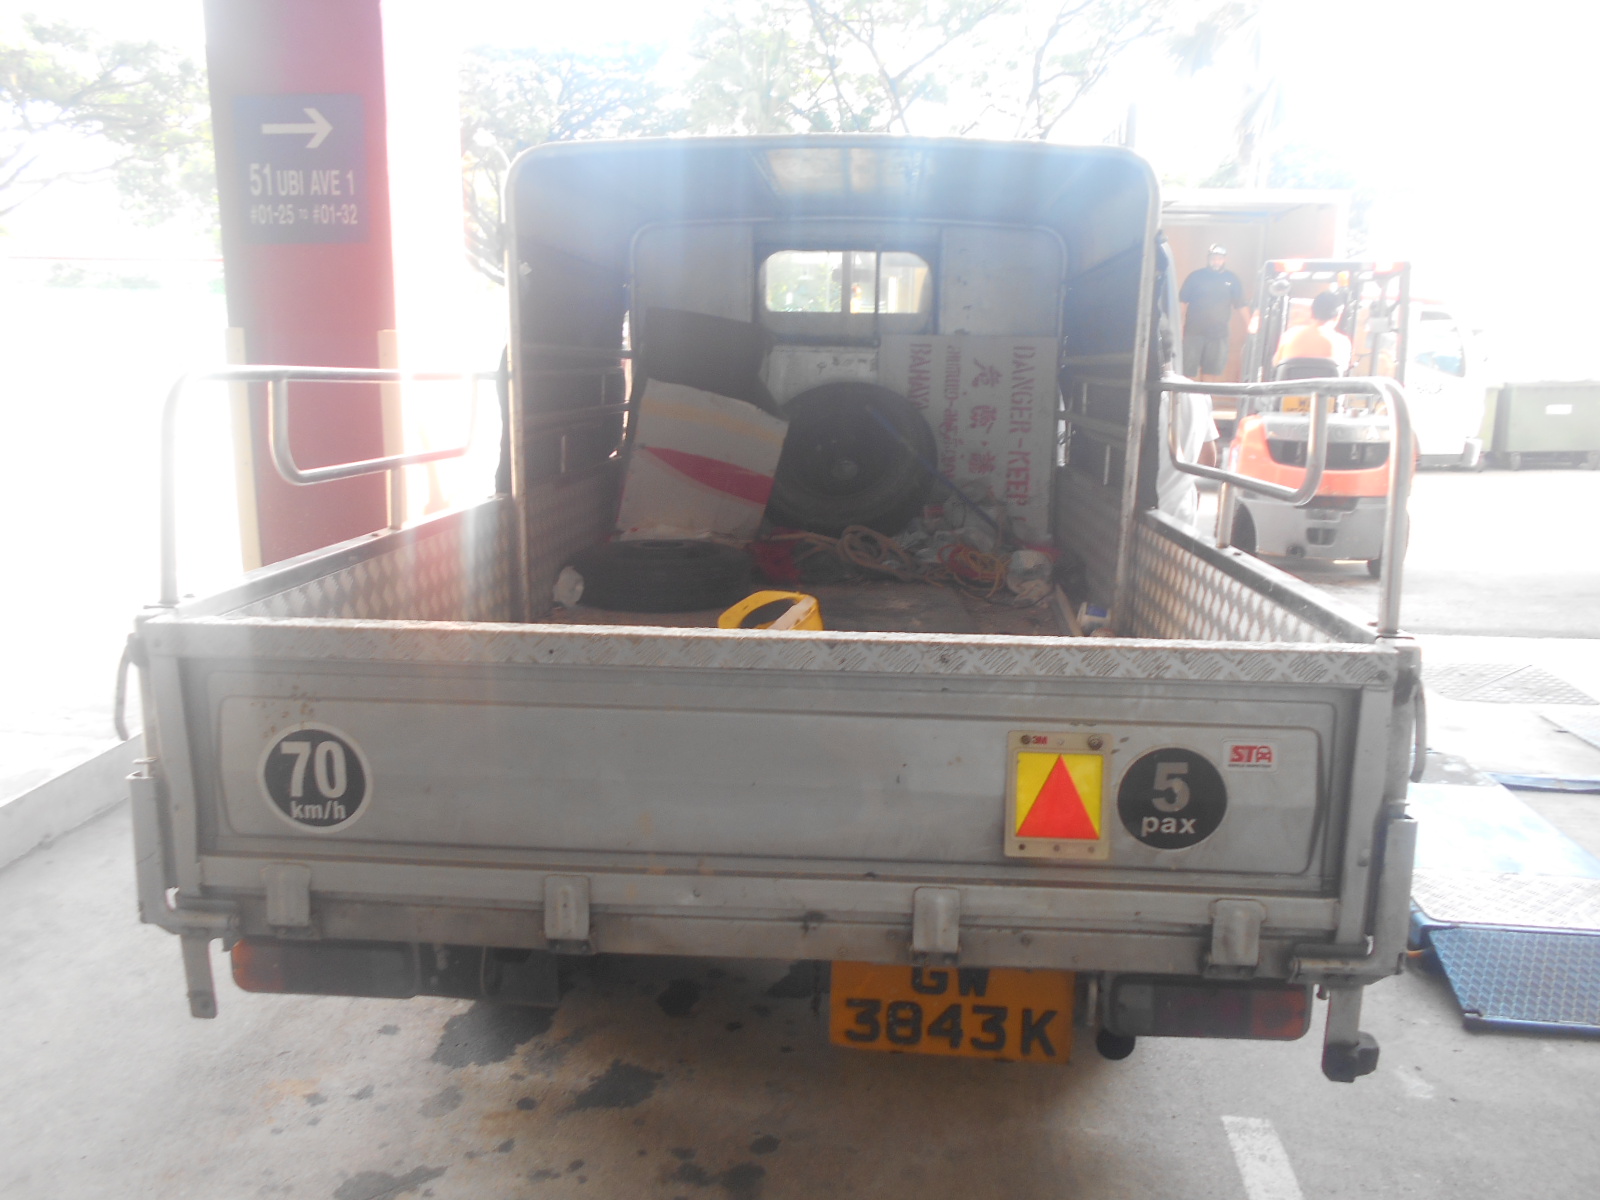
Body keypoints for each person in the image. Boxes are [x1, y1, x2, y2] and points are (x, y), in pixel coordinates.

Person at [1156, 381, 1221, 535]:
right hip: (1182, 513)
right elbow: (1208, 459)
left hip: (1144, 510)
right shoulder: (1198, 392)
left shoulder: (1142, 389)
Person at [1179, 245, 1247, 381]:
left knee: (1211, 371)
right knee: (1187, 371)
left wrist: (1250, 325)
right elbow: (1182, 302)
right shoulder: (1195, 276)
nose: (1216, 262)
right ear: (1208, 259)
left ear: (1225, 259)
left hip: (1218, 334)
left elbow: (1241, 304)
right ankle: (1185, 396)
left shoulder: (1232, 279)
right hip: (1193, 332)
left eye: (1219, 259)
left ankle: (1205, 395)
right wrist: (1179, 325)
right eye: (1213, 258)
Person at [1275, 289, 1353, 374]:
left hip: (1290, 383)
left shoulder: (1290, 335)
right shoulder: (1342, 342)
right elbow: (1344, 368)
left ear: (1312, 312)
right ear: (1338, 316)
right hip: (1324, 383)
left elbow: (1276, 363)